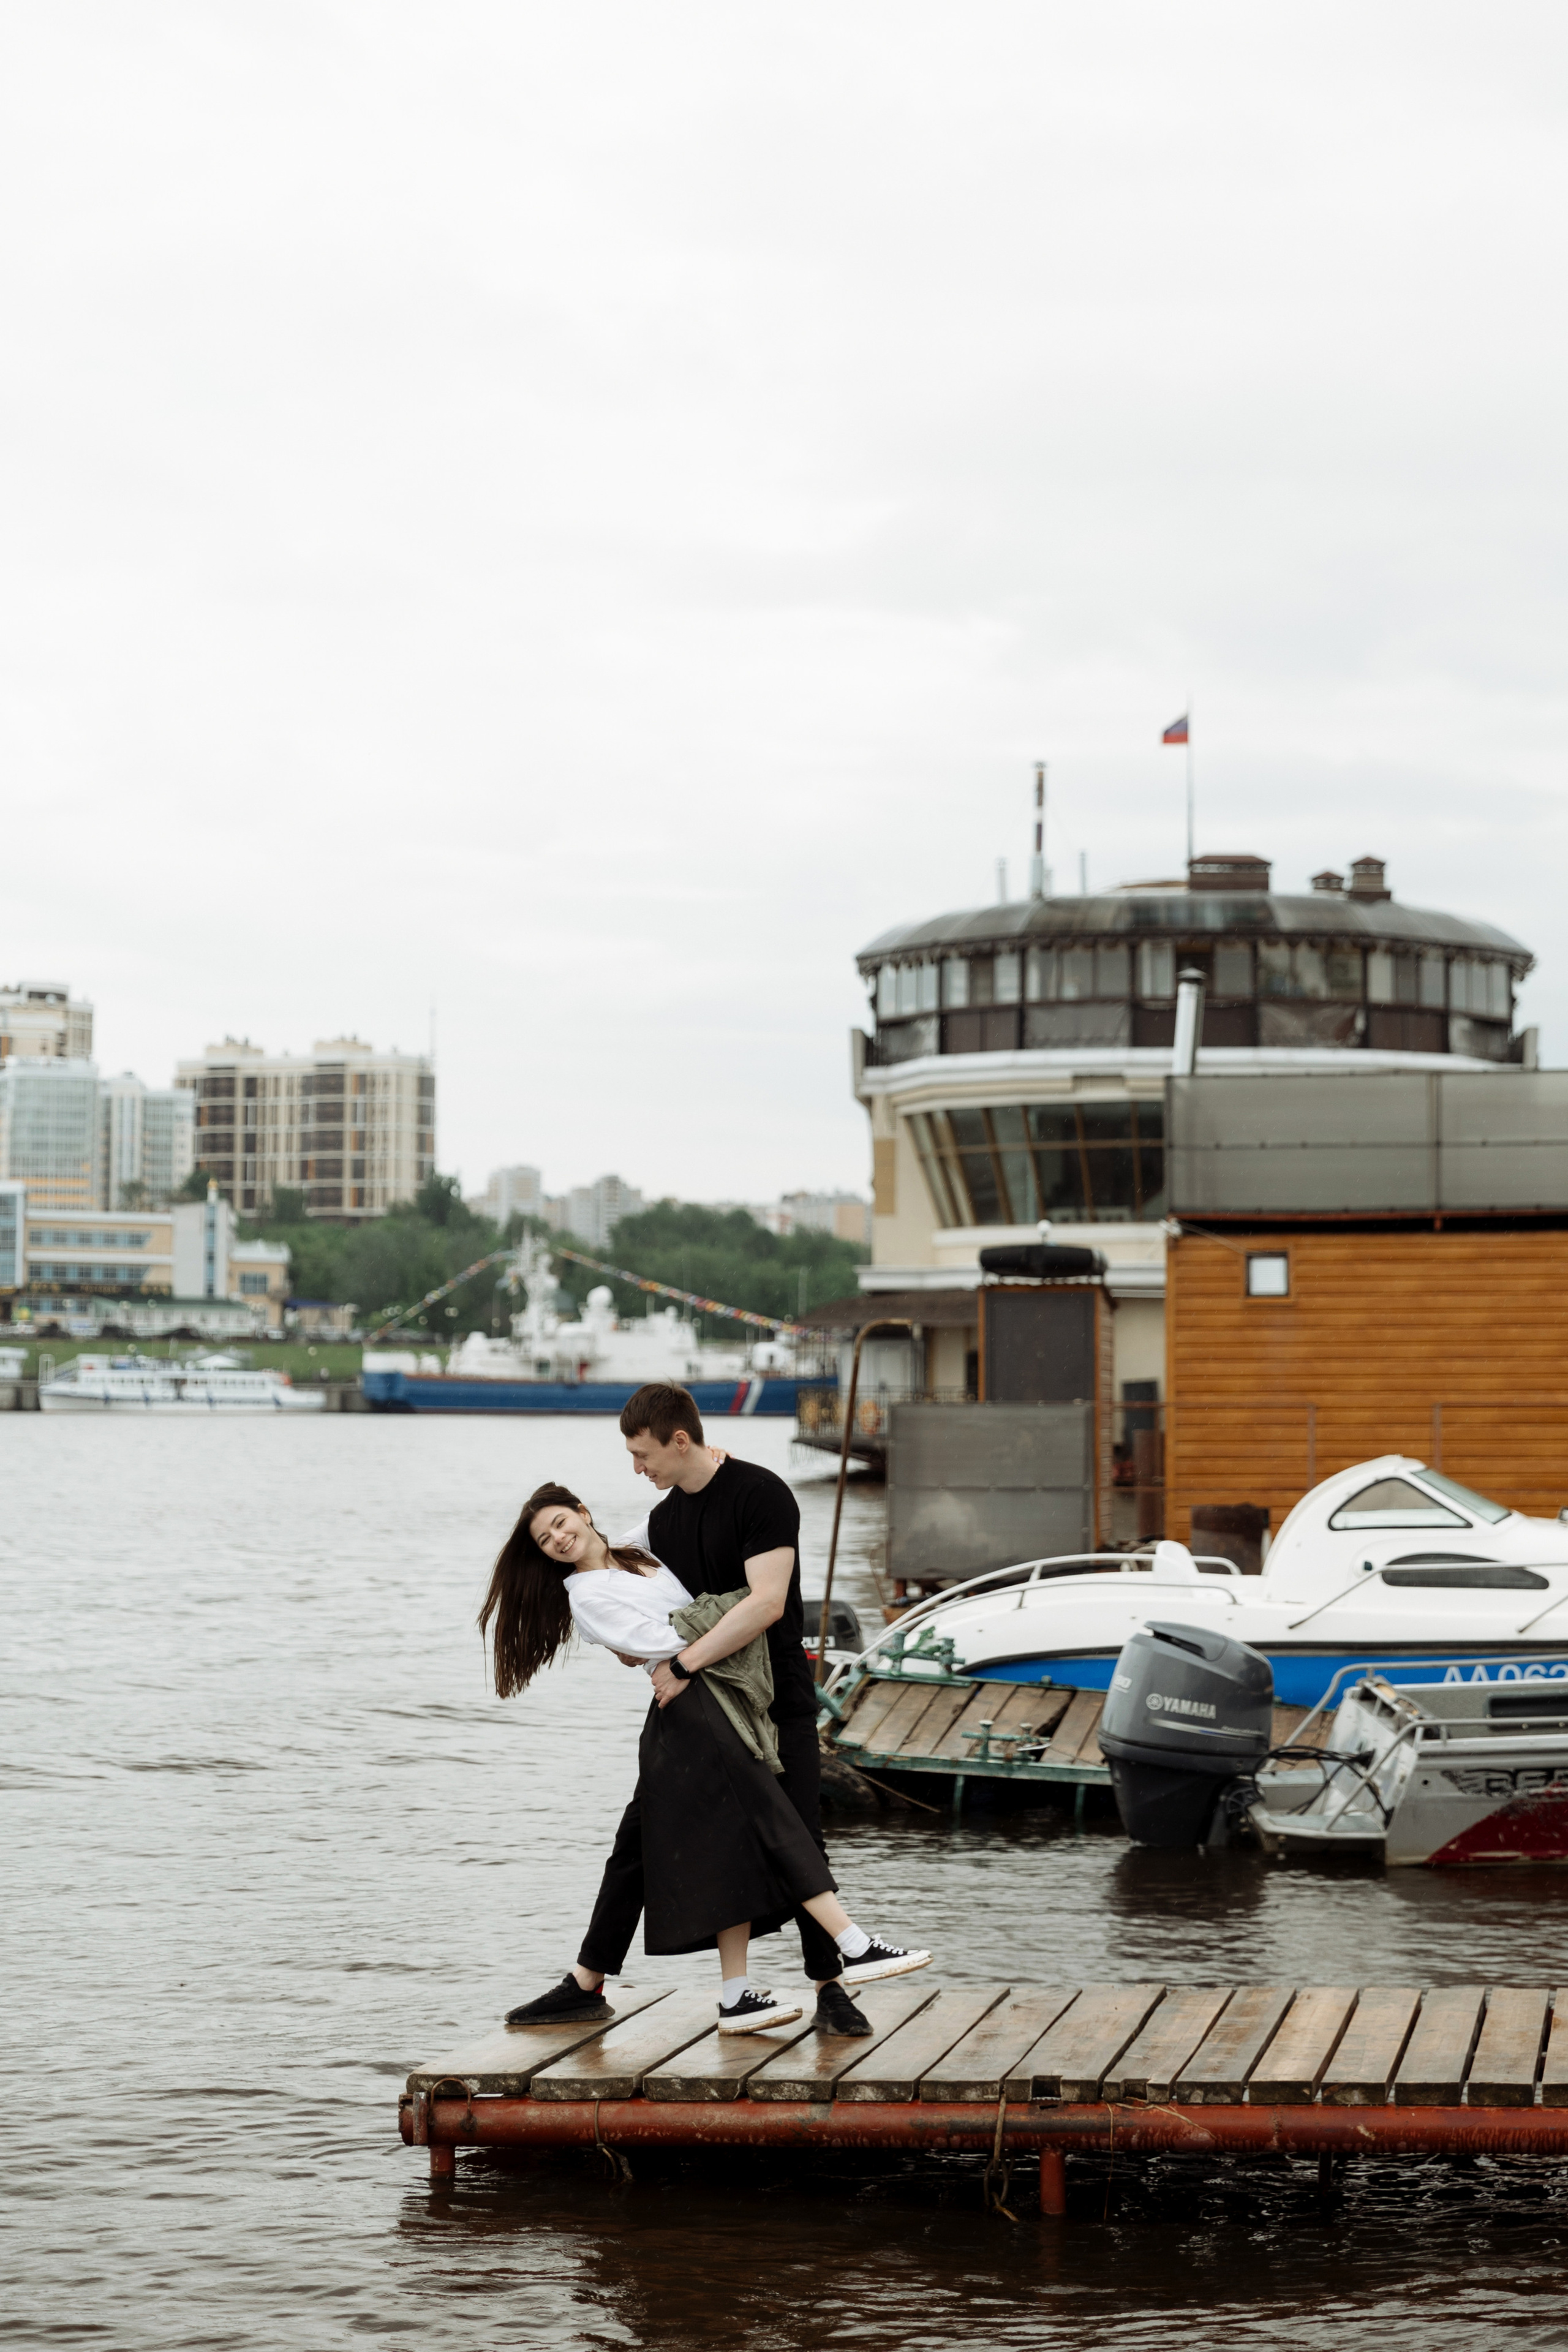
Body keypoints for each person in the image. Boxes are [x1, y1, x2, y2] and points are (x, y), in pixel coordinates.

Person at [502, 1382, 931, 2035]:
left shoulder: (740, 1501)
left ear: (680, 1441)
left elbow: (763, 1603)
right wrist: (649, 1653)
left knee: (788, 1823)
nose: (637, 1468)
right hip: (696, 1699)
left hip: (767, 1689)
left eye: (643, 1454)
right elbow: (624, 1599)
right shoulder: (656, 1527)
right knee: (646, 1844)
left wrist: (675, 1661)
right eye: (546, 1536)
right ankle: (610, 1984)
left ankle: (828, 1987)